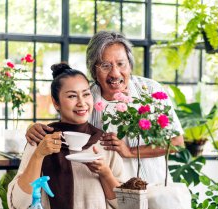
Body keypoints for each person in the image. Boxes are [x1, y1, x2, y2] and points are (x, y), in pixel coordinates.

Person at [26, 31, 184, 184]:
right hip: (111, 195)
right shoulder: (88, 98)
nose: (115, 73)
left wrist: (130, 151)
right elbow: (67, 130)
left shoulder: (151, 90)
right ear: (94, 69)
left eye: (121, 64)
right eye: (105, 66)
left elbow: (176, 142)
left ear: (129, 65)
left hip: (154, 188)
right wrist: (35, 129)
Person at [8, 63, 123, 209]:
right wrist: (39, 155)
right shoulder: (41, 139)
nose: (82, 102)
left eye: (86, 94)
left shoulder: (104, 141)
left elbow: (123, 204)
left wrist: (105, 173)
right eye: (72, 96)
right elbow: (19, 205)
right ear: (56, 103)